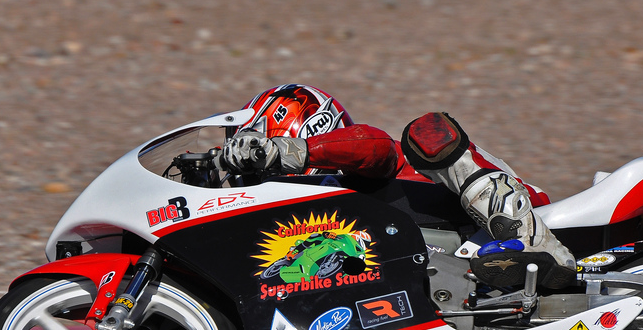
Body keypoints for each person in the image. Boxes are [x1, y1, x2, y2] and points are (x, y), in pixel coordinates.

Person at [220, 84, 576, 289]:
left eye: (258, 161)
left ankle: (531, 239)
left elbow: (374, 145)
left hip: (528, 217)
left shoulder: (363, 161)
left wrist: (285, 153)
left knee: (426, 134)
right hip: (455, 280)